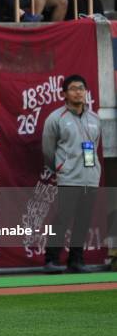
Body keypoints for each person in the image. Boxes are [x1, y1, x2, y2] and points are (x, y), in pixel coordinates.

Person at [42, 75, 102, 274]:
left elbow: (95, 147)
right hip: (68, 178)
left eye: (82, 88)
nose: (79, 91)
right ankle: (51, 260)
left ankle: (76, 261)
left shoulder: (94, 118)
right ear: (64, 94)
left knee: (83, 221)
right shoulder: (56, 118)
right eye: (74, 88)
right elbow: (48, 150)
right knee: (62, 219)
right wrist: (61, 169)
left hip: (90, 179)